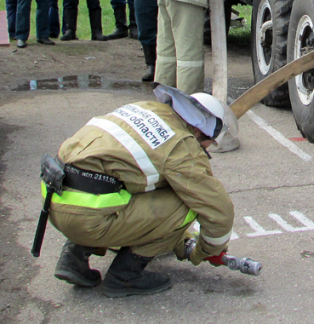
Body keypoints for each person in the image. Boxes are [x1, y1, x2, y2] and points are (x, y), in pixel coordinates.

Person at [44, 85, 235, 298]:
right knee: (186, 202)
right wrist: (204, 251)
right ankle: (125, 276)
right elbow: (219, 210)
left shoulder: (144, 109)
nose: (208, 148)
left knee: (122, 181)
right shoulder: (182, 145)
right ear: (199, 131)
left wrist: (179, 241)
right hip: (88, 218)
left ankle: (74, 257)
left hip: (55, 203)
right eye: (209, 142)